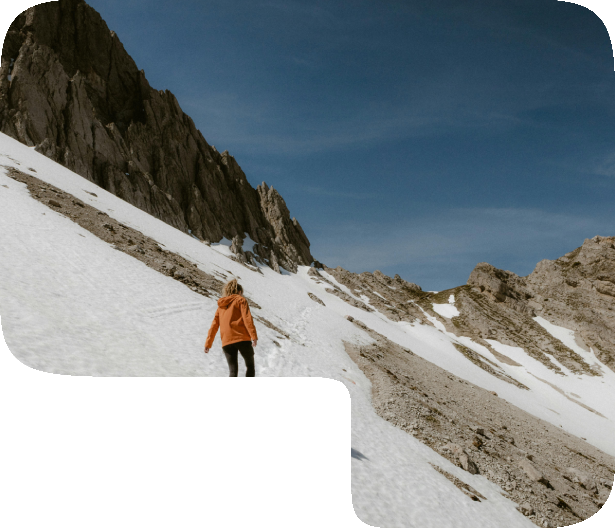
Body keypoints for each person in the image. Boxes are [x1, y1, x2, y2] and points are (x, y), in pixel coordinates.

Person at [204, 279, 258, 377]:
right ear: (239, 292)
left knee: (233, 372)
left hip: (227, 342)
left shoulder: (221, 306)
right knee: (250, 366)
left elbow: (214, 326)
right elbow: (247, 319)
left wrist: (208, 343)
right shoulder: (240, 300)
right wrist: (253, 336)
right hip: (242, 338)